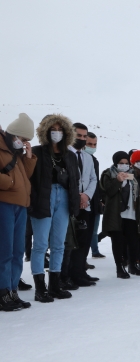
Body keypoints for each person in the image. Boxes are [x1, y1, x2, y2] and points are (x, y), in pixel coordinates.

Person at [29, 114, 80, 302]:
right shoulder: (36, 152)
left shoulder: (70, 155)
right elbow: (30, 179)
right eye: (53, 130)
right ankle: (40, 288)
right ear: (45, 131)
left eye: (60, 130)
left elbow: (75, 181)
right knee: (41, 244)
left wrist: (75, 203)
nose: (57, 133)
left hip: (64, 197)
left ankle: (55, 285)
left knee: (59, 244)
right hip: (44, 198)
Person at [0, 114, 37, 311]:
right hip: (4, 203)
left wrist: (28, 159)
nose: (23, 143)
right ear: (14, 134)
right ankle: (2, 292)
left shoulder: (15, 152)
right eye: (23, 140)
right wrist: (11, 183)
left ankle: (12, 290)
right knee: (4, 251)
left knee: (17, 251)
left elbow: (24, 177)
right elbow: (13, 179)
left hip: (20, 205)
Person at [62, 122, 98, 288]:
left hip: (85, 205)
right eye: (79, 136)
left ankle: (80, 272)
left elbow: (93, 179)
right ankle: (66, 274)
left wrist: (86, 196)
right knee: (69, 242)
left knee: (83, 241)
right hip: (69, 204)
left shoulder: (88, 158)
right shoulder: (64, 154)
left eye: (85, 136)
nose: (82, 139)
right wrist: (77, 196)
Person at [100, 151, 140, 278]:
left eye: (126, 163)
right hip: (116, 214)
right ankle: (119, 267)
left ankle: (132, 265)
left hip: (131, 214)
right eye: (121, 163)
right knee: (118, 242)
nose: (124, 165)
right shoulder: (108, 174)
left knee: (133, 241)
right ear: (116, 163)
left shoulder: (132, 175)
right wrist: (118, 181)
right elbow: (108, 192)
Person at [86, 132, 105, 258]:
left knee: (93, 229)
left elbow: (96, 182)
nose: (92, 147)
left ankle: (95, 251)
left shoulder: (94, 161)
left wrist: (100, 199)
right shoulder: (74, 158)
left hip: (95, 202)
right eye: (89, 144)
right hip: (83, 201)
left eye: (94, 144)